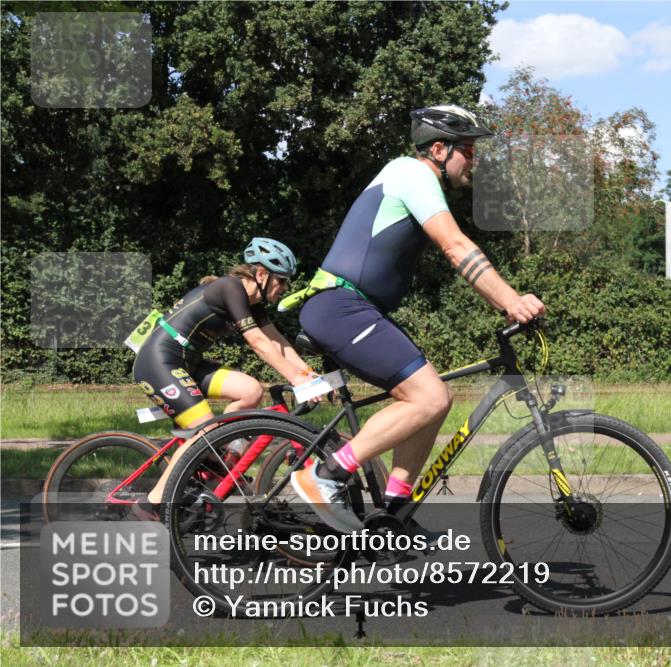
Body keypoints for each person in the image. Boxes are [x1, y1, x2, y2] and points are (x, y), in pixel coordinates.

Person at [289, 105, 545, 535]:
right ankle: (326, 475)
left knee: (432, 402)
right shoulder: (411, 172)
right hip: (341, 306)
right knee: (429, 397)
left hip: (353, 309)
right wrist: (510, 301)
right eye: (468, 149)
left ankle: (394, 509)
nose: (474, 160)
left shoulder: (417, 179)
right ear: (439, 149)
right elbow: (454, 247)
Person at [132, 238, 317, 516]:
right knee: (205, 431)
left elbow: (276, 340)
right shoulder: (230, 287)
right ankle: (151, 504)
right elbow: (257, 341)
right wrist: (296, 379)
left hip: (188, 362)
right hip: (158, 362)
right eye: (282, 281)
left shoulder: (254, 302)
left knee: (250, 391)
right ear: (261, 275)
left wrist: (307, 373)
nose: (285, 288)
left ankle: (217, 459)